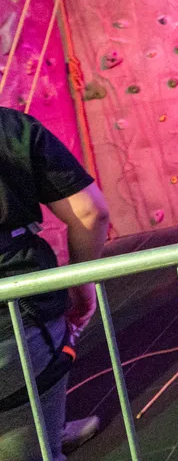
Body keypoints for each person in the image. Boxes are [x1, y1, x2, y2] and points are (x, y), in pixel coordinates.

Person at [0, 108, 109, 460]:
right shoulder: (10, 126)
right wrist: (80, 287)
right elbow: (90, 212)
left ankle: (50, 429)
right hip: (15, 315)